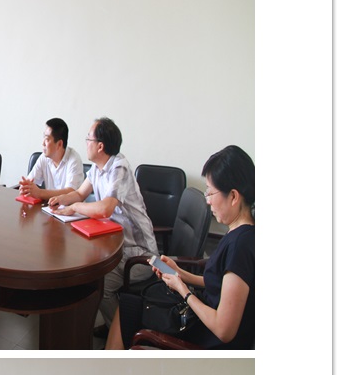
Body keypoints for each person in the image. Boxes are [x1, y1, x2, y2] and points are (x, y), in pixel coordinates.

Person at [106, 144, 255, 350]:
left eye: (211, 193)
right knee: (129, 304)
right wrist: (179, 274)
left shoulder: (241, 246)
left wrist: (183, 290)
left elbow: (224, 330)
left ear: (233, 197)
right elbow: (219, 285)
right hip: (199, 316)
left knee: (128, 308)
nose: (208, 201)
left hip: (206, 336)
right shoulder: (240, 233)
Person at [48, 117, 157, 329]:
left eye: (88, 139)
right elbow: (80, 193)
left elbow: (105, 208)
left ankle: (122, 336)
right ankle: (111, 327)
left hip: (139, 253)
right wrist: (60, 199)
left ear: (100, 146)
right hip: (115, 243)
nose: (85, 143)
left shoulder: (119, 167)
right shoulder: (98, 168)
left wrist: (75, 207)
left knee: (100, 286)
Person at [18, 117, 85, 201]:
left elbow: (71, 192)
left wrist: (40, 193)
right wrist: (25, 187)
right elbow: (30, 181)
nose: (43, 143)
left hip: (70, 207)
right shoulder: (44, 157)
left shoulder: (74, 160)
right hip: (50, 206)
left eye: (47, 139)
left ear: (59, 144)